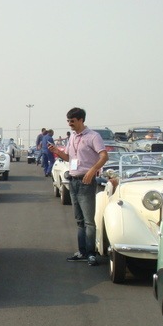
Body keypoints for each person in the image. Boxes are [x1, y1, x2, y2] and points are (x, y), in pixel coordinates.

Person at [49, 107, 108, 266]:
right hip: (73, 181)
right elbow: (68, 157)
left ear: (81, 120)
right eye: (68, 121)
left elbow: (104, 156)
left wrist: (92, 171)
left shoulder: (93, 137)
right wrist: (56, 151)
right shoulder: (73, 137)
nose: (70, 124)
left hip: (86, 181)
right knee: (79, 220)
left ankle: (91, 253)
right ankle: (82, 251)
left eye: (72, 121)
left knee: (89, 221)